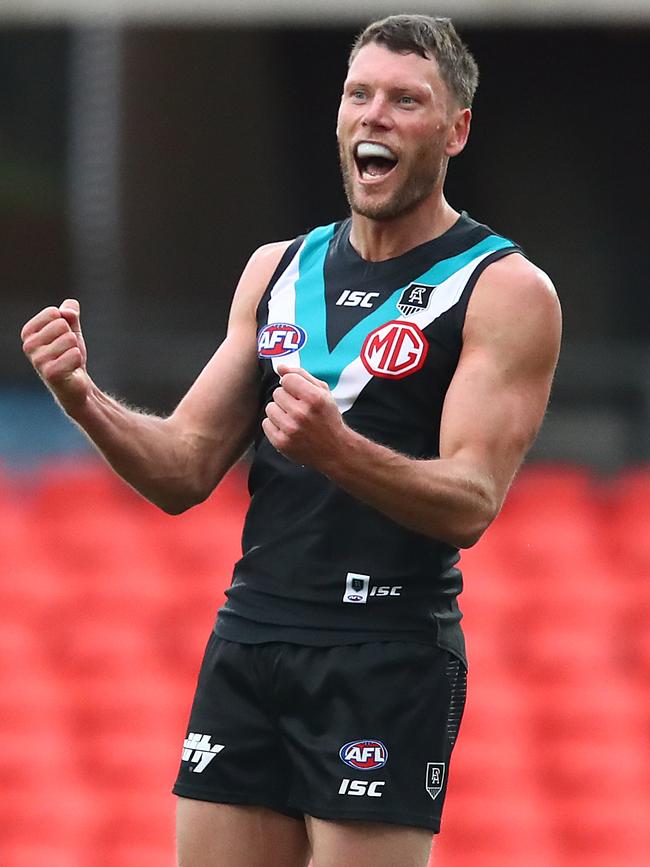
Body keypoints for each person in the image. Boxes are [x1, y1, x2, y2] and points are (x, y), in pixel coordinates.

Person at [21, 14, 561, 867]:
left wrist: (335, 449)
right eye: (360, 94)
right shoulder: (279, 268)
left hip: (383, 650)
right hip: (251, 634)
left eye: (406, 100)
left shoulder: (503, 288)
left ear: (456, 130)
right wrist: (82, 397)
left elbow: (471, 501)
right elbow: (183, 470)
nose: (375, 115)